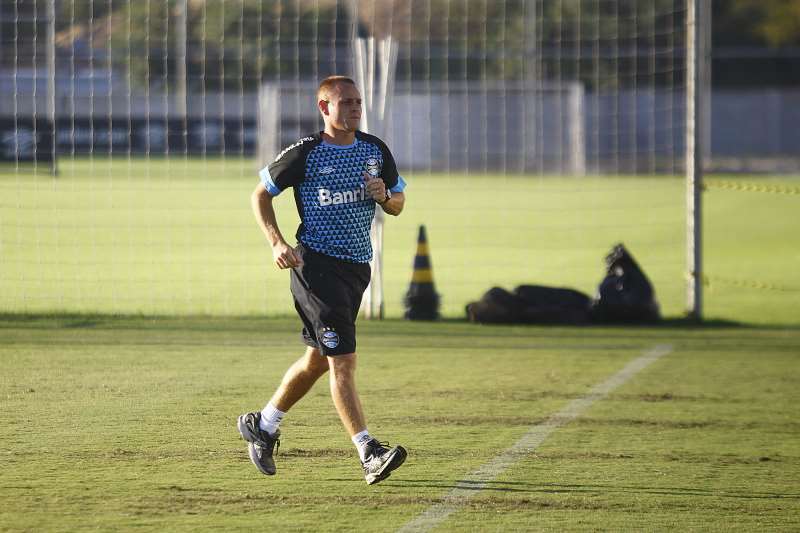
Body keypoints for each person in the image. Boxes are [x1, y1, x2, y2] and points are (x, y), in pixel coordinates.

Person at [237, 75, 408, 485]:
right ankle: (369, 452)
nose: (354, 108)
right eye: (345, 102)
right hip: (315, 267)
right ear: (324, 107)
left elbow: (400, 204)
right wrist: (277, 243)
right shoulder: (307, 152)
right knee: (343, 362)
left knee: (319, 359)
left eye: (358, 102)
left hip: (356, 269)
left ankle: (264, 423)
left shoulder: (374, 149)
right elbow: (259, 194)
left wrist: (384, 195)